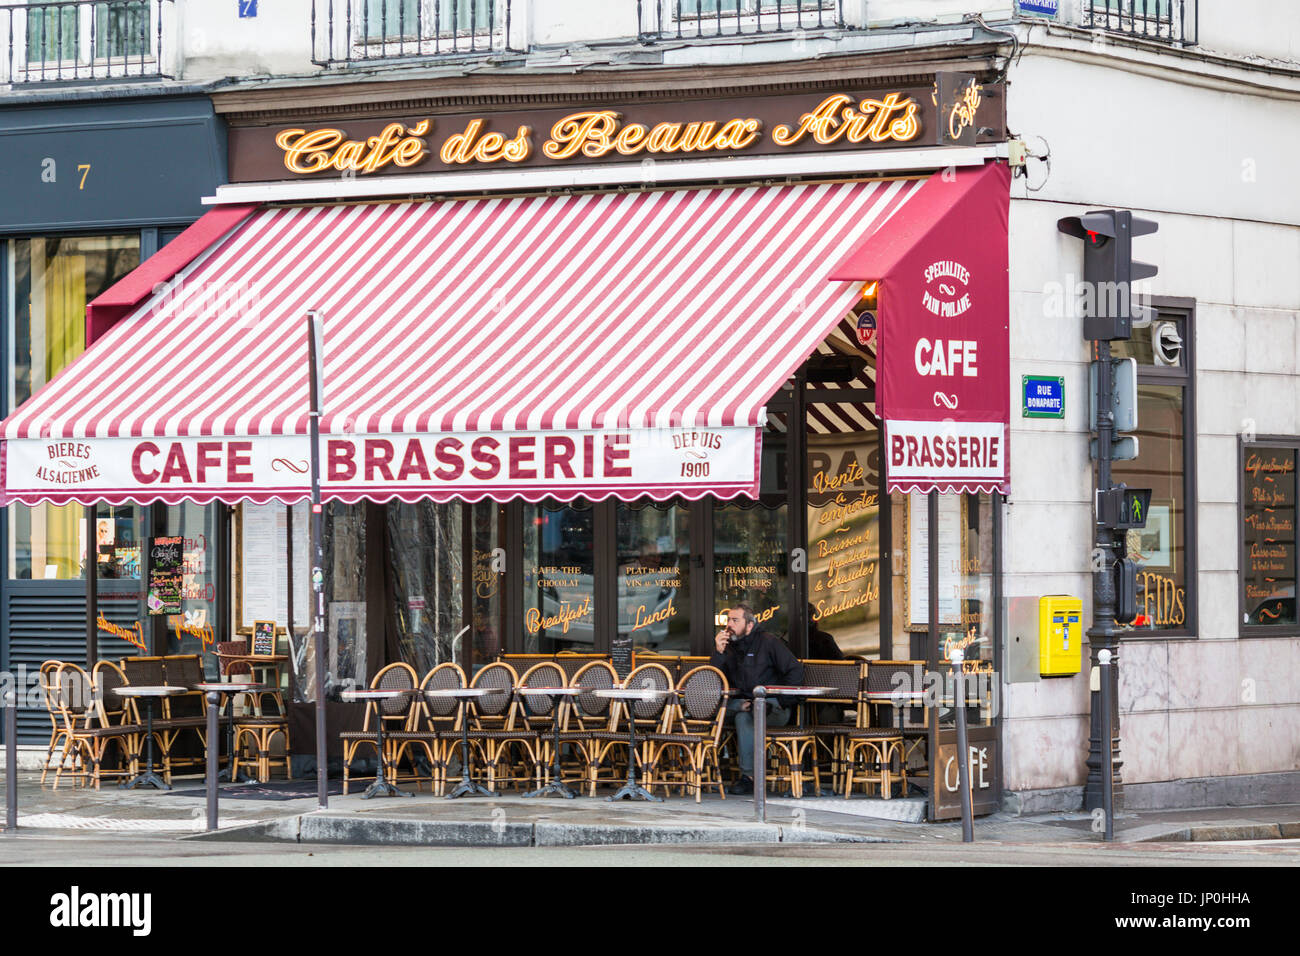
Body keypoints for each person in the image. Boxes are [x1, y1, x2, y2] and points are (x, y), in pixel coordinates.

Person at [710, 603, 804, 795]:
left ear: (750, 625)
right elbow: (714, 682)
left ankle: (749, 777)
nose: (729, 625)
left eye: (735, 620)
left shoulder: (768, 642)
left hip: (773, 707)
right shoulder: (729, 648)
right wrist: (718, 653)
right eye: (728, 620)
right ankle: (701, 772)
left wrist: (781, 701)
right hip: (741, 703)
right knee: (702, 710)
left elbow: (795, 670)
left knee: (746, 716)